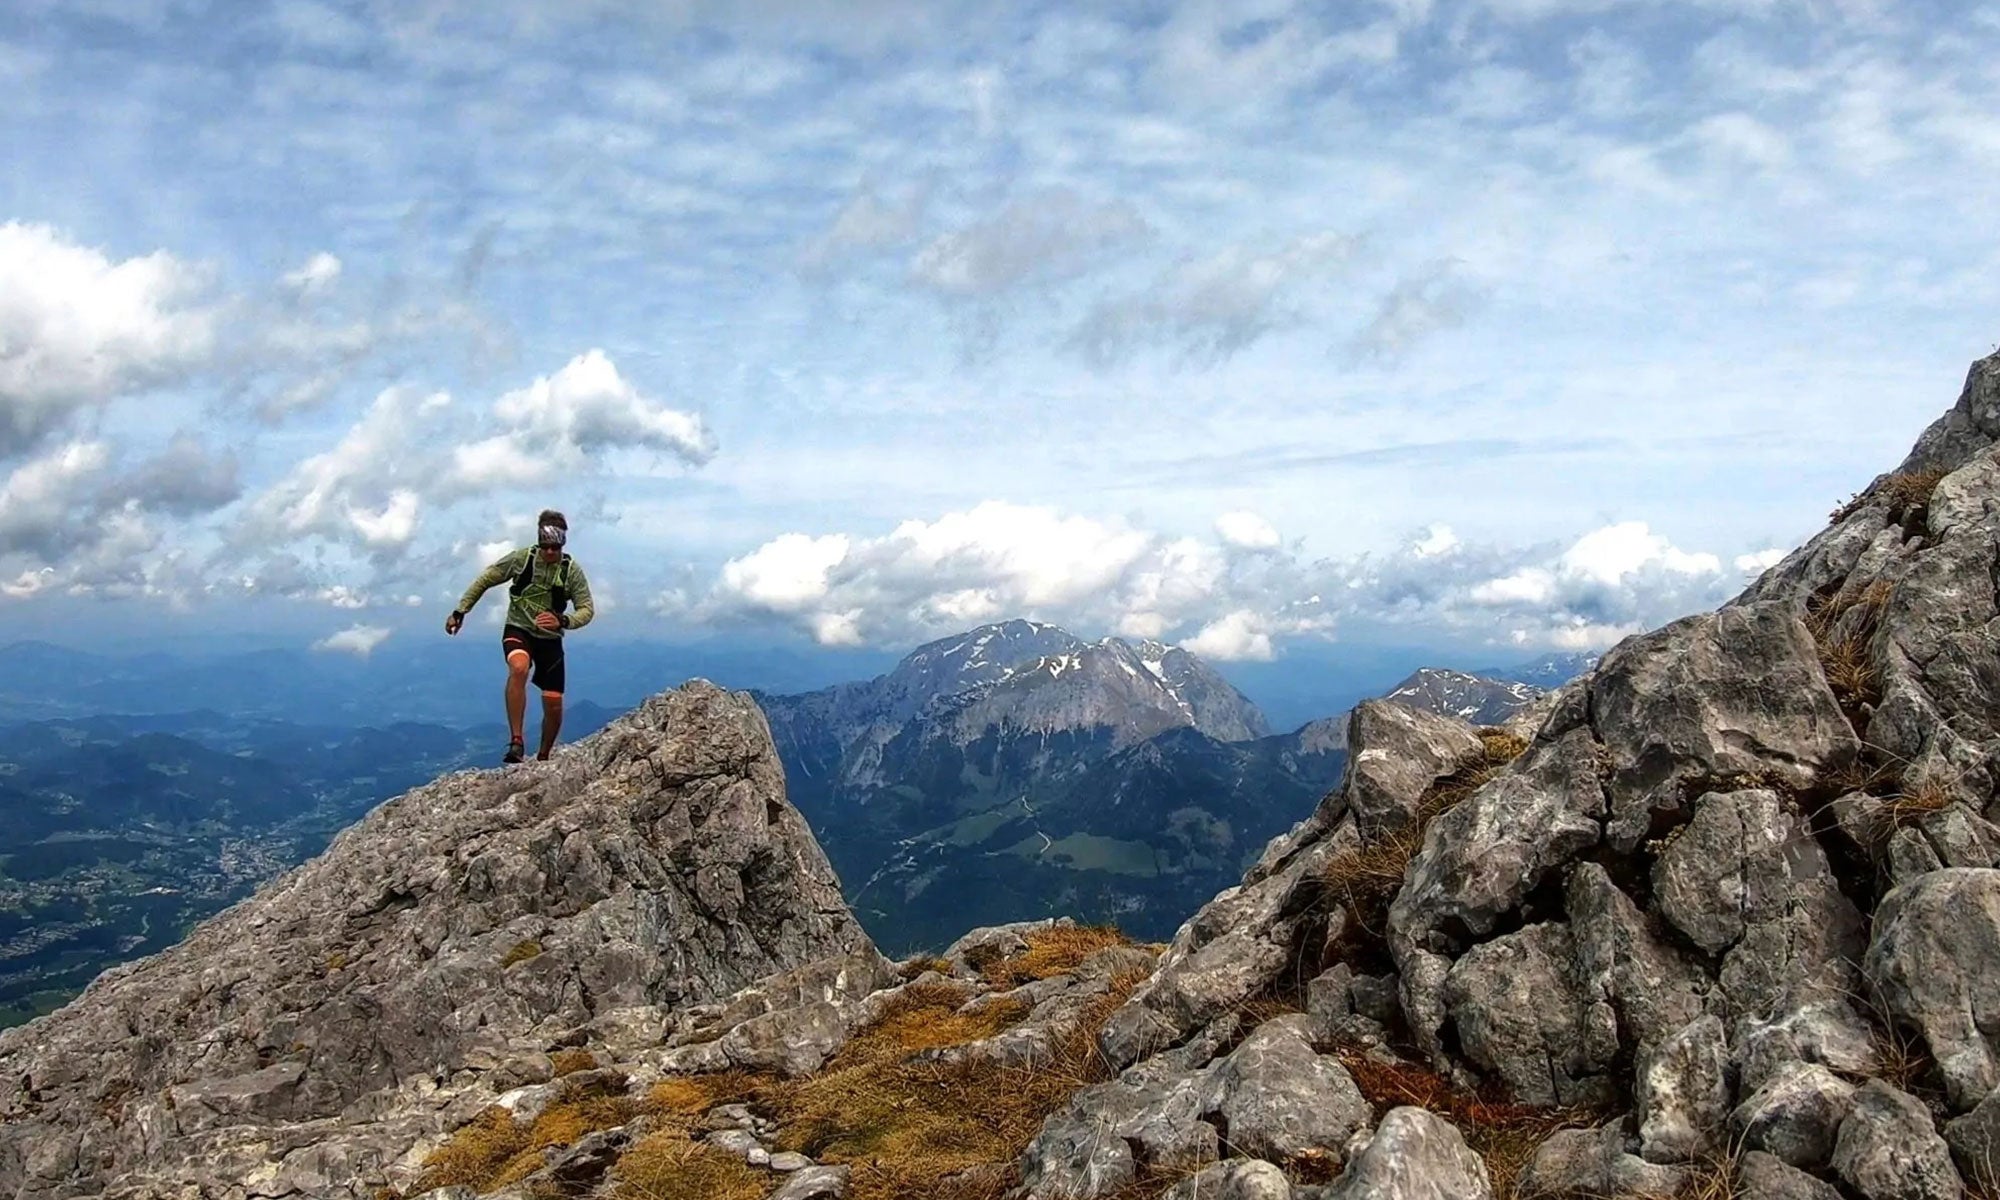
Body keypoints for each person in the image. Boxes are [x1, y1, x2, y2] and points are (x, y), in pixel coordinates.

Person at [445, 509, 595, 763]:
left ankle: (544, 755)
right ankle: (517, 741)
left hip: (550, 638)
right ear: (539, 543)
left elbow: (587, 609)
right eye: (545, 546)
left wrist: (564, 620)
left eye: (555, 548)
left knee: (553, 700)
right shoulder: (521, 560)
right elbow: (486, 579)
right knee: (519, 667)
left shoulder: (571, 571)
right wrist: (460, 612)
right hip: (519, 628)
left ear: (562, 545)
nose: (549, 552)